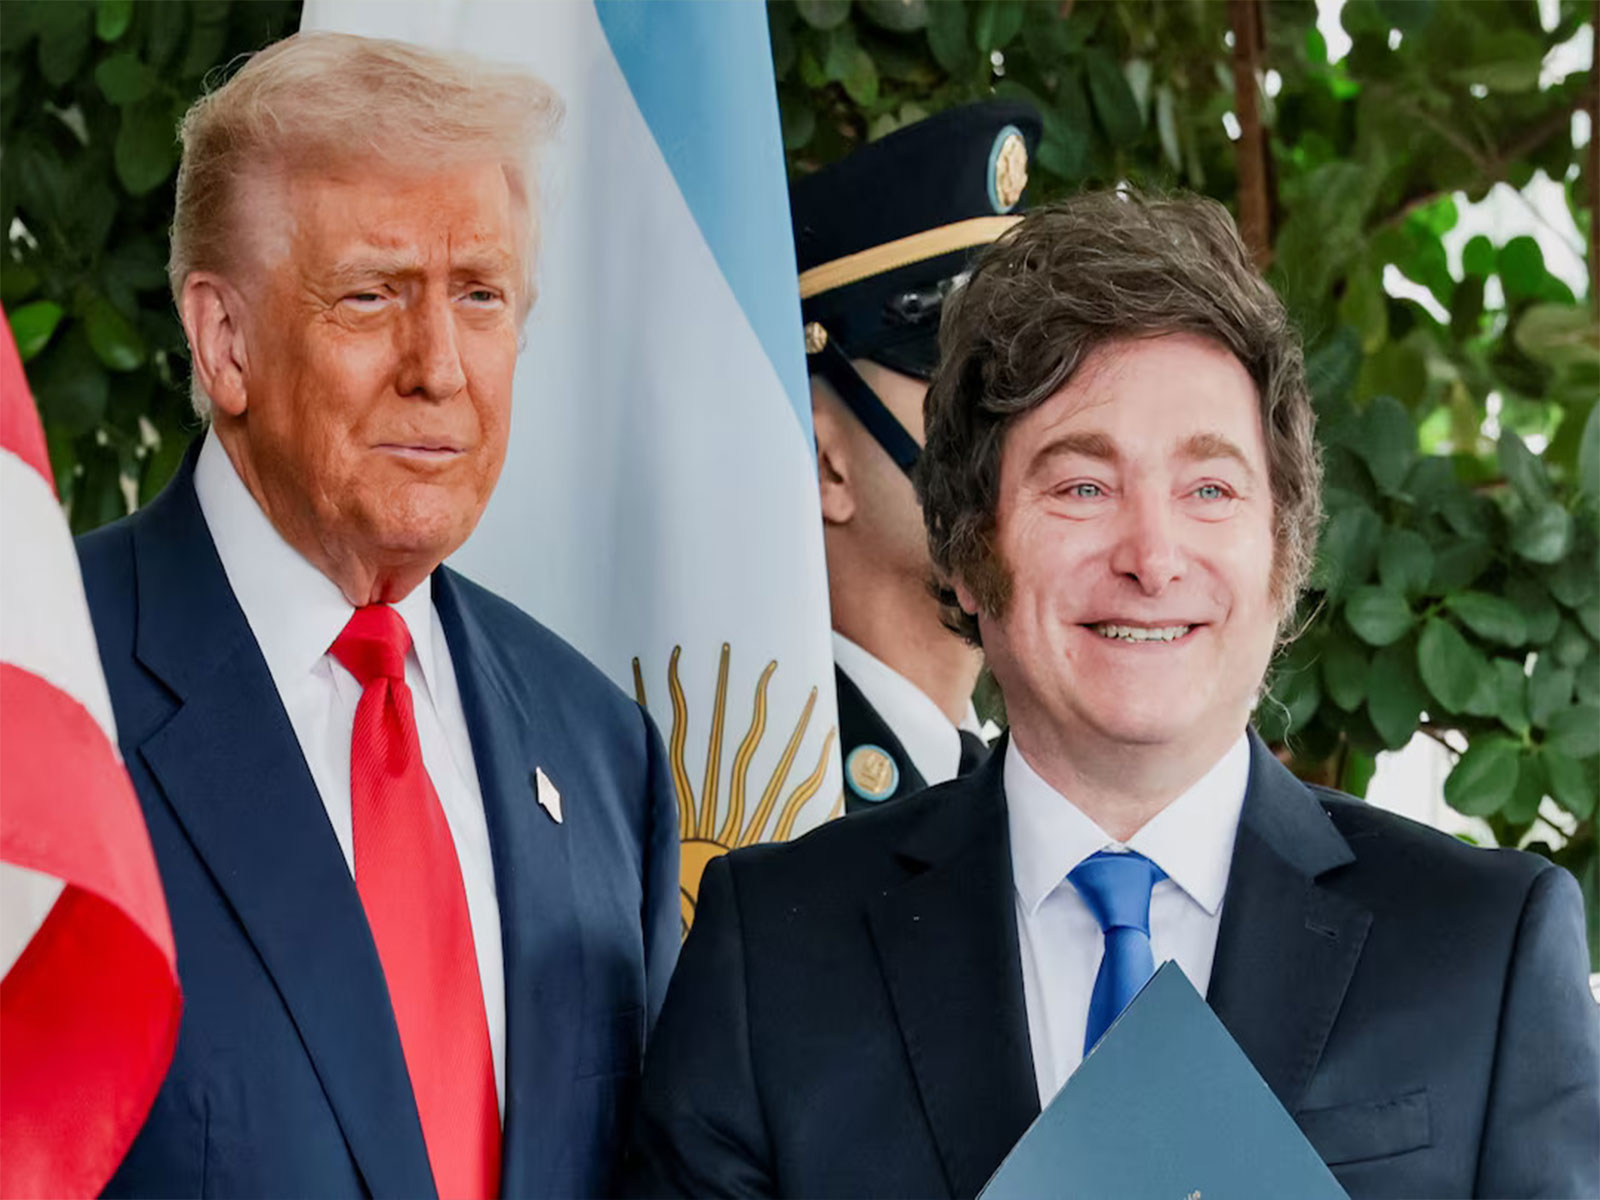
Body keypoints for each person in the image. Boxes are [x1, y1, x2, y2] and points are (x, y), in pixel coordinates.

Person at [623, 191, 1600, 1198]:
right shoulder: (773, 950)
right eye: (1081, 487)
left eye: (1209, 489)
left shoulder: (1484, 946)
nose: (1151, 555)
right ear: (967, 551)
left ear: (1282, 555)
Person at [81, 33, 679, 1199]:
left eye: (480, 297)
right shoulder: (42, 693)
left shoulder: (599, 747)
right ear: (225, 340)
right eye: (372, 294)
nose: (440, 368)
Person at [790, 102, 1039, 810]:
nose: (1023, 427)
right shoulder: (764, 797)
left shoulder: (1026, 796)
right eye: (966, 392)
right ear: (825, 465)